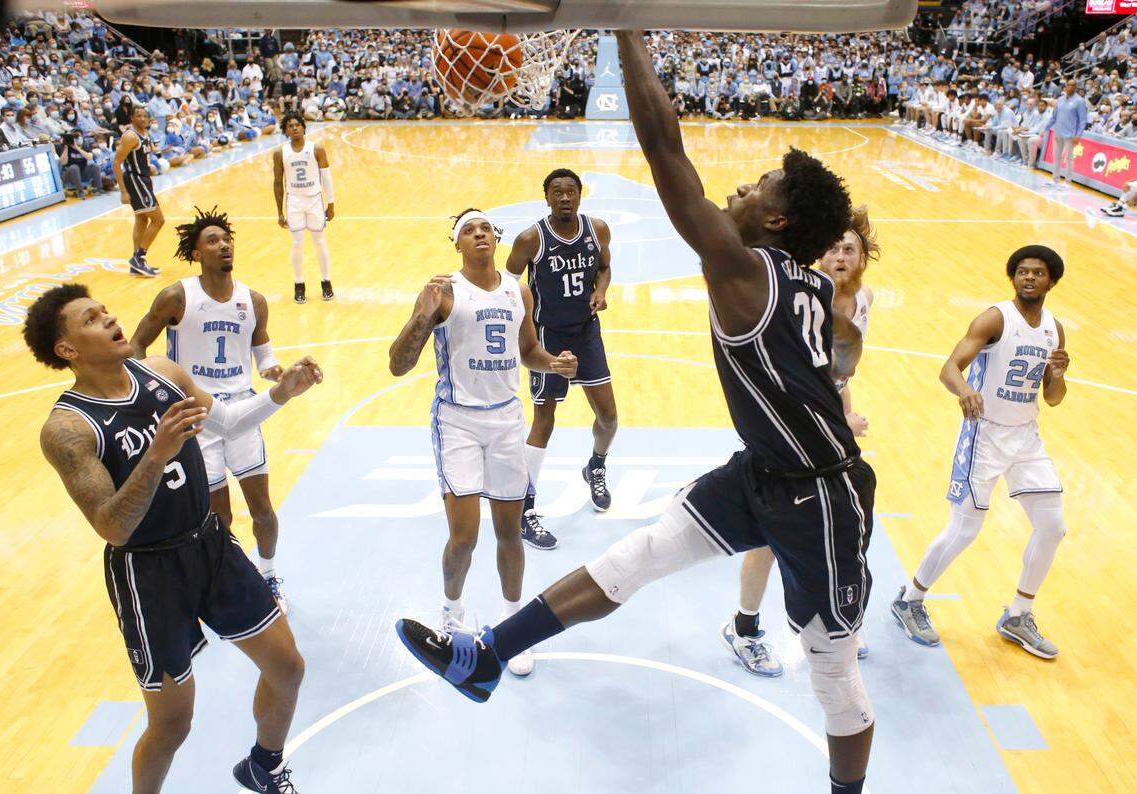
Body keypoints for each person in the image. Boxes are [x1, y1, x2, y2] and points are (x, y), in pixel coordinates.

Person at [396, 31, 876, 794]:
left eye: (757, 188)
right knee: (641, 554)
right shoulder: (805, 284)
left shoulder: (743, 267)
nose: (740, 191)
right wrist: (828, 373)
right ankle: (486, 656)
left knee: (832, 668)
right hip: (763, 471)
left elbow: (664, 150)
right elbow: (844, 346)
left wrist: (624, 23)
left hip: (821, 495)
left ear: (777, 224)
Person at [24, 283, 322, 793]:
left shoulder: (163, 373)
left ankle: (263, 766)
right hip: (148, 573)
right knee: (172, 724)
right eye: (92, 319)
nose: (111, 319)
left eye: (105, 310)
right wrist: (156, 454)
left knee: (288, 667)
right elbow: (111, 526)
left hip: (209, 544)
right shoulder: (69, 429)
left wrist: (281, 393)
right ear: (68, 350)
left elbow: (226, 423)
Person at [387, 208, 579, 677]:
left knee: (510, 533)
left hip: (506, 420)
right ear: (457, 244)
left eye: (485, 228)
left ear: (497, 237)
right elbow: (398, 363)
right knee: (464, 535)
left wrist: (552, 363)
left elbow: (527, 351)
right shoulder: (443, 292)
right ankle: (451, 617)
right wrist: (422, 317)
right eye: (468, 230)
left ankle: (513, 628)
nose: (479, 234)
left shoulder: (520, 290)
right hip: (457, 422)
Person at [721, 206, 878, 678]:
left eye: (849, 248)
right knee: (771, 537)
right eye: (832, 248)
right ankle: (743, 627)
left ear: (861, 258)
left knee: (842, 530)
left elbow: (838, 373)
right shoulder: (797, 294)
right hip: (785, 432)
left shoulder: (863, 299)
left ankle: (838, 615)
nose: (840, 255)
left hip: (827, 435)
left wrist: (844, 414)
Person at [892, 246, 1069, 660]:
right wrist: (966, 389)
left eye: (1037, 273)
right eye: (1022, 272)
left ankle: (1018, 615)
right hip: (984, 436)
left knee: (1053, 527)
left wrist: (1058, 375)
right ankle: (910, 600)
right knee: (965, 530)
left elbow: (1055, 397)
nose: (1028, 278)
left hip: (1026, 437)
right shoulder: (994, 318)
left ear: (1051, 282)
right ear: (1013, 279)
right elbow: (949, 367)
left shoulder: (1054, 330)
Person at [129, 206, 292, 613]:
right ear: (197, 253)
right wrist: (152, 392)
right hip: (197, 418)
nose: (223, 245)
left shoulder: (252, 300)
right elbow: (136, 346)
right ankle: (225, 579)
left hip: (242, 413)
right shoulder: (176, 296)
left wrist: (277, 372)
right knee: (218, 517)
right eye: (213, 241)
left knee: (263, 509)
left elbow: (265, 356)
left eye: (226, 239)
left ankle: (269, 575)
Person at [505, 169, 615, 551]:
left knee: (608, 418)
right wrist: (523, 327)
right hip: (548, 338)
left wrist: (601, 290)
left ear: (580, 196)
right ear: (546, 197)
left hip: (586, 333)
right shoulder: (530, 239)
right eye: (557, 192)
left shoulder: (597, 229)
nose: (565, 197)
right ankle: (525, 506)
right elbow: (508, 284)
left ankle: (596, 466)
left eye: (571, 191)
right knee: (544, 421)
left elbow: (604, 267)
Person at [273, 113, 334, 304]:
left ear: (303, 127)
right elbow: (277, 182)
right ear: (286, 130)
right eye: (290, 126)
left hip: (315, 200)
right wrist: (279, 212)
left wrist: (331, 203)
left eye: (297, 125)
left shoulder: (316, 148)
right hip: (294, 202)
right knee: (297, 243)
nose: (295, 128)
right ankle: (299, 284)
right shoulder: (280, 152)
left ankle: (326, 281)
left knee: (319, 242)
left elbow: (326, 177)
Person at [112, 105, 164, 278]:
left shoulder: (145, 133)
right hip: (135, 180)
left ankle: (136, 265)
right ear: (132, 118)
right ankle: (139, 258)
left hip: (143, 180)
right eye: (138, 116)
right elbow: (116, 162)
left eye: (145, 116)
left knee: (142, 219)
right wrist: (123, 191)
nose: (142, 119)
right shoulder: (129, 136)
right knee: (158, 220)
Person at [1040, 80, 1087, 191]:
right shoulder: (1060, 100)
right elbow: (1054, 117)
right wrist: (1045, 128)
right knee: (1056, 157)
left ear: (1076, 87)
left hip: (1070, 135)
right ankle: (1055, 179)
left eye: (1072, 85)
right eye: (1068, 85)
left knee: (1069, 158)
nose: (1069, 87)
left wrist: (1078, 135)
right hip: (1058, 132)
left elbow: (1083, 121)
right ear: (1065, 87)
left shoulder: (1080, 101)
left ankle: (1067, 181)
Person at [57, 131, 103, 199]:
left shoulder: (85, 146)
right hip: (69, 175)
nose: (77, 139)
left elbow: (89, 157)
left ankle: (99, 189)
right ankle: (80, 192)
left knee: (95, 166)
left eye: (78, 137)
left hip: (82, 173)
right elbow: (63, 162)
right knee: (74, 167)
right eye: (75, 137)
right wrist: (66, 147)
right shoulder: (66, 148)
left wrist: (77, 148)